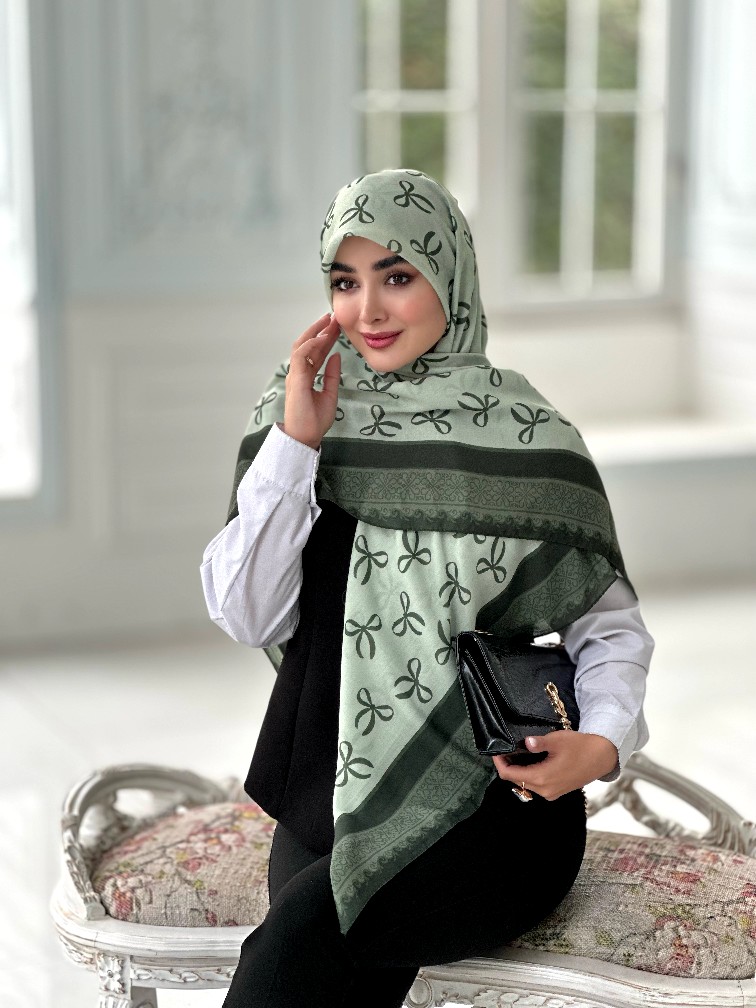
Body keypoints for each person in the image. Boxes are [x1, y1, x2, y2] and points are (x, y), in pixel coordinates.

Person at [201, 168, 654, 1008]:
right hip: (325, 792)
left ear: (450, 278)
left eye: (397, 276)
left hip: (492, 806)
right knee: (321, 969)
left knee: (291, 954)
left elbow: (611, 632)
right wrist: (298, 443)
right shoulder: (303, 416)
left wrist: (602, 743)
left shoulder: (529, 439)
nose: (368, 310)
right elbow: (246, 613)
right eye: (345, 282)